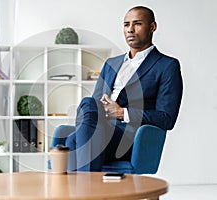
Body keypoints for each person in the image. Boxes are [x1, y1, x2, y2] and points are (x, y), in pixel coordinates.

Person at [53, 6, 183, 171]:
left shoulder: (166, 65)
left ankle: (82, 191)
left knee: (72, 143)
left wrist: (122, 112)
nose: (130, 29)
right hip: (98, 130)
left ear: (152, 27)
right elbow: (94, 105)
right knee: (87, 108)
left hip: (130, 139)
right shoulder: (111, 64)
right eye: (126, 24)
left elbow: (166, 118)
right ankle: (89, 189)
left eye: (137, 24)